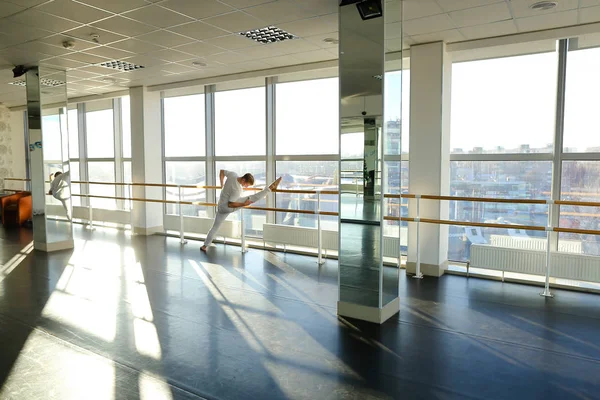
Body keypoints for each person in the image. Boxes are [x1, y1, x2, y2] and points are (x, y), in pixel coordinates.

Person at [201, 170, 282, 252]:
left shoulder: (233, 175)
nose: (246, 187)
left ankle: (204, 246)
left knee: (215, 228)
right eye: (247, 184)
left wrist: (222, 185)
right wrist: (244, 204)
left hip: (220, 206)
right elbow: (231, 204)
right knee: (251, 198)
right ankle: (270, 188)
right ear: (243, 180)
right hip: (227, 207)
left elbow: (222, 172)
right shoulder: (237, 189)